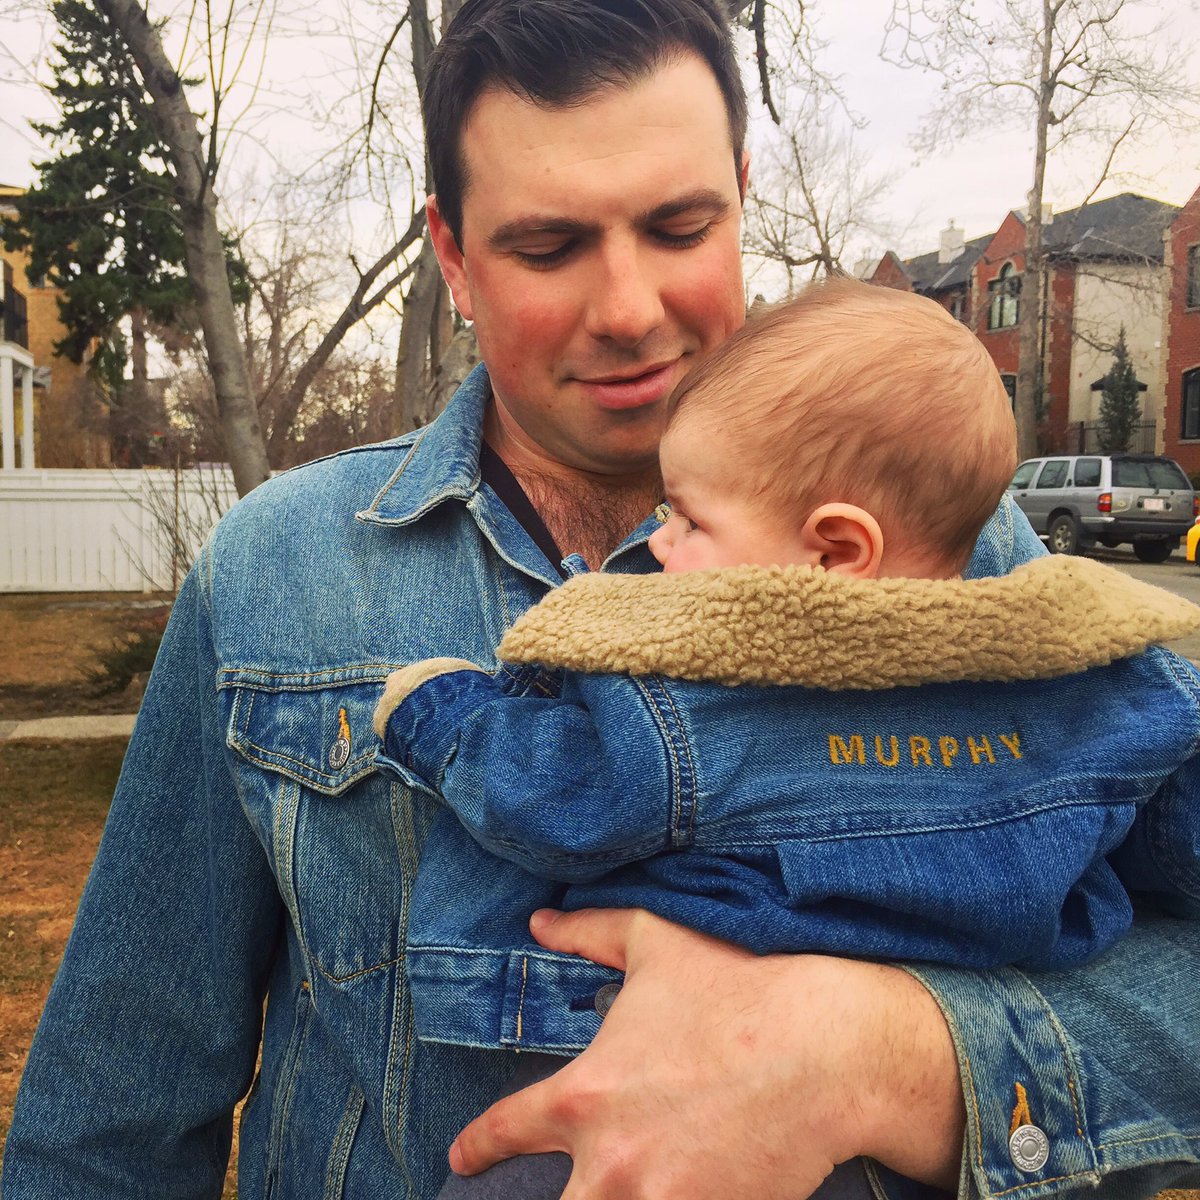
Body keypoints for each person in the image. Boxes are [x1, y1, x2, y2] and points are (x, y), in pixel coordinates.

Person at [2, 2, 1198, 1198]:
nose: (628, 308)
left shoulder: (966, 566)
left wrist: (886, 1059)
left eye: (681, 225)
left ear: (740, 195)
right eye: (548, 246)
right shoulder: (279, 571)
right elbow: (113, 1110)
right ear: (454, 256)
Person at [372, 278, 1200, 1199]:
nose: (659, 541)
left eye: (689, 517)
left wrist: (435, 714)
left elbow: (555, 801)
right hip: (936, 1154)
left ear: (836, 551)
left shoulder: (698, 687)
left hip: (671, 1094)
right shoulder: (1097, 681)